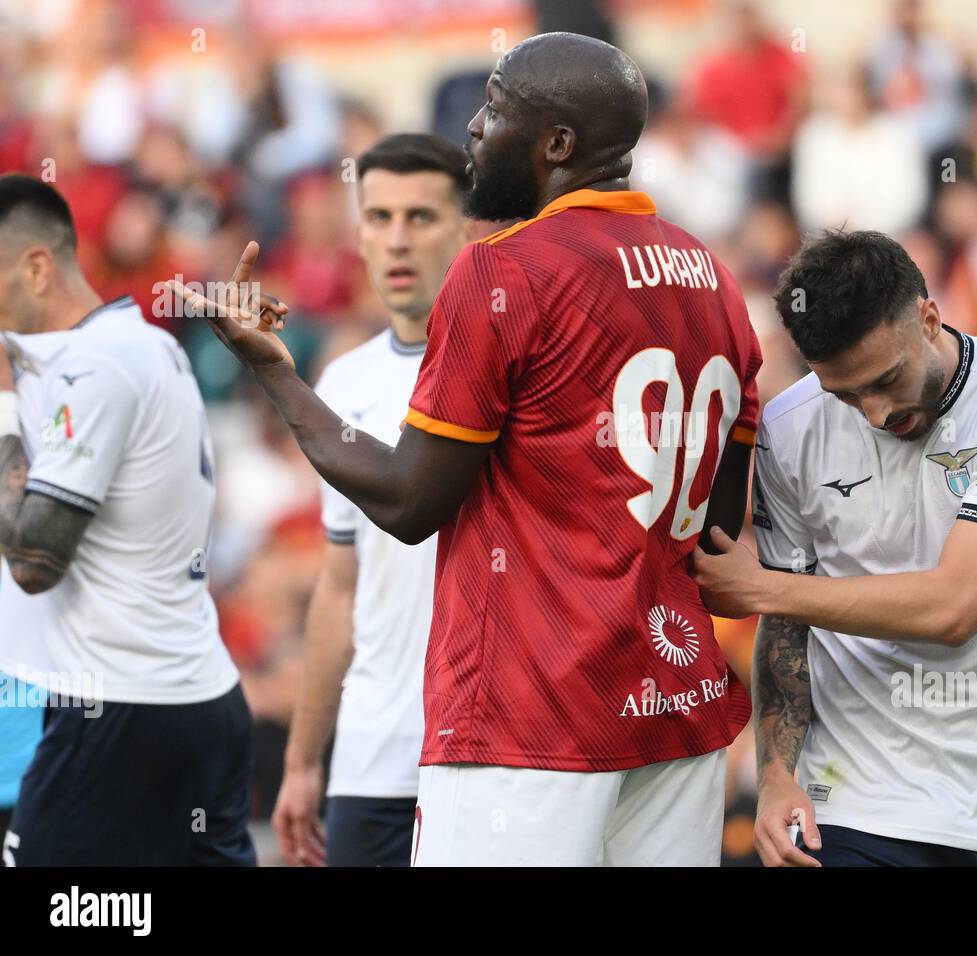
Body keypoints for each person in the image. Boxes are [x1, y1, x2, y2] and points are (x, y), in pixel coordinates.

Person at [178, 32, 761, 866]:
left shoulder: (504, 269)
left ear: (558, 145)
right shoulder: (714, 276)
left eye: (495, 108)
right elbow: (723, 530)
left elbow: (410, 502)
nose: (476, 131)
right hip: (677, 708)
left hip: (533, 718)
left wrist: (277, 377)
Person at [692, 229, 977, 866]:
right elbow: (787, 630)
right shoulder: (789, 428)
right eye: (846, 395)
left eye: (887, 379)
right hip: (858, 803)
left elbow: (954, 609)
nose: (875, 414)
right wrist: (775, 776)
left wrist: (765, 587)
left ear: (929, 316)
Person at [0, 174, 253, 866]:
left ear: (35, 266)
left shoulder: (96, 366)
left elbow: (33, 563)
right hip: (191, 692)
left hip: (122, 707)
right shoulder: (123, 346)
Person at [271, 134, 472, 867]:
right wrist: (301, 760)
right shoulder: (343, 384)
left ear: (467, 227)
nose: (396, 239)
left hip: (491, 753)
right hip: (371, 755)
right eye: (378, 216)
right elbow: (340, 584)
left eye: (420, 217)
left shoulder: (516, 369)